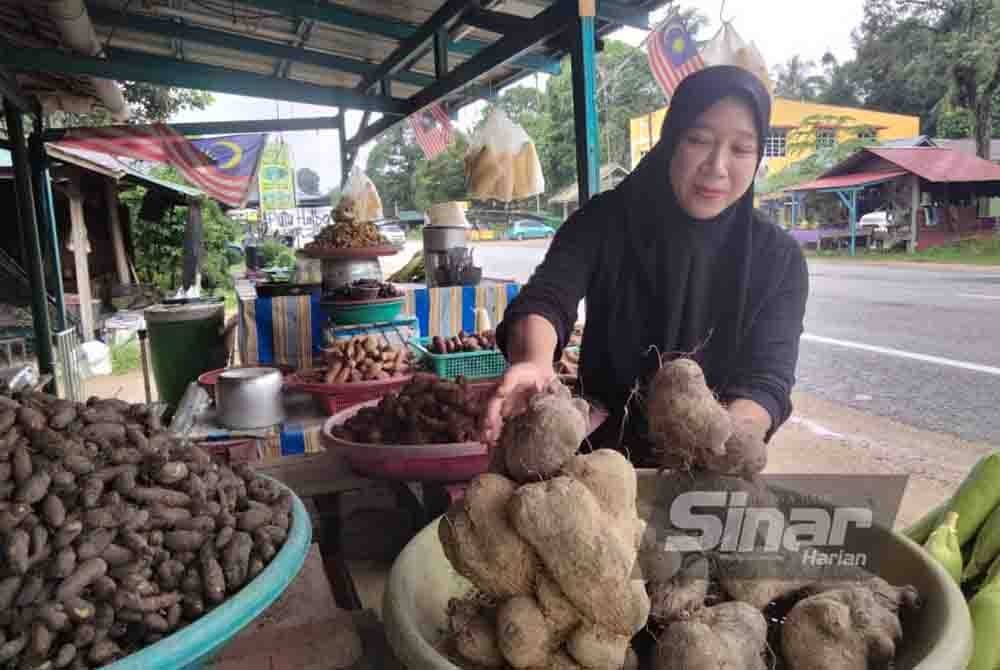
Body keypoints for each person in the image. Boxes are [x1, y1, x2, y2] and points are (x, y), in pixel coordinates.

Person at [480, 65, 809, 470]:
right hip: (596, 463)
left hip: (707, 473)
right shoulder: (604, 220)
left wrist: (727, 436)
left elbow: (768, 379)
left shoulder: (778, 258)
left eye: (741, 149)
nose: (717, 166)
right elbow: (549, 297)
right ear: (670, 140)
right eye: (698, 139)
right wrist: (534, 361)